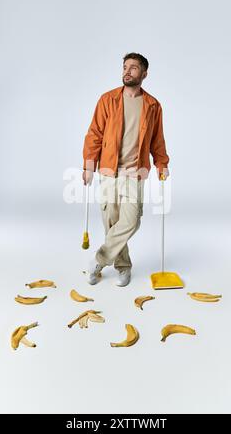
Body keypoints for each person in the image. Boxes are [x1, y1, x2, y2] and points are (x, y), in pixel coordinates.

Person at [82, 52, 170, 286]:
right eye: (125, 67)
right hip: (109, 171)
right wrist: (89, 165)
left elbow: (157, 139)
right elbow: (94, 134)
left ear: (144, 74)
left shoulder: (152, 106)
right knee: (111, 222)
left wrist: (162, 163)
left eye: (133, 67)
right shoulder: (107, 100)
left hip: (135, 172)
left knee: (131, 221)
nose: (127, 71)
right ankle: (123, 266)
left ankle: (98, 260)